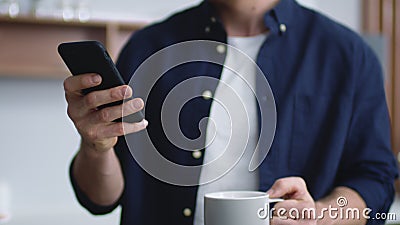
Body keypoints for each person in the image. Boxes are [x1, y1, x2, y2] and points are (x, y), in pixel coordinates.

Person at [63, 0, 398, 224]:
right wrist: (95, 147)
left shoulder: (348, 55)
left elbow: (376, 182)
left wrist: (321, 214)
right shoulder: (148, 47)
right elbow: (101, 198)